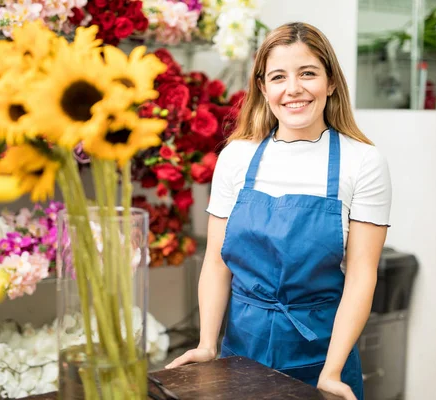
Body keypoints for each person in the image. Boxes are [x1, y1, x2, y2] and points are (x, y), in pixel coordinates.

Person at [165, 22, 392, 400]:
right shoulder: (237, 156)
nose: (293, 89)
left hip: (322, 356)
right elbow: (217, 263)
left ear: (331, 82)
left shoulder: (363, 162)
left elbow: (360, 278)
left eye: (308, 73)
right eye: (278, 77)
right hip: (240, 353)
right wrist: (207, 343)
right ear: (263, 88)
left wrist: (332, 371)